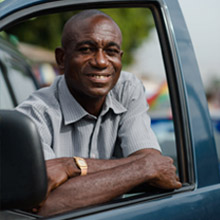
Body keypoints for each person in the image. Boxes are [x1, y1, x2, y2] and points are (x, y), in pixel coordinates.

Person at [16, 9, 182, 216]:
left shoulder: (126, 89)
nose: (101, 62)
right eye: (86, 49)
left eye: (111, 51)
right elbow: (49, 206)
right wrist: (142, 168)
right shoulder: (33, 116)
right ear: (61, 59)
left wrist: (71, 166)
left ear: (120, 58)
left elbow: (150, 158)